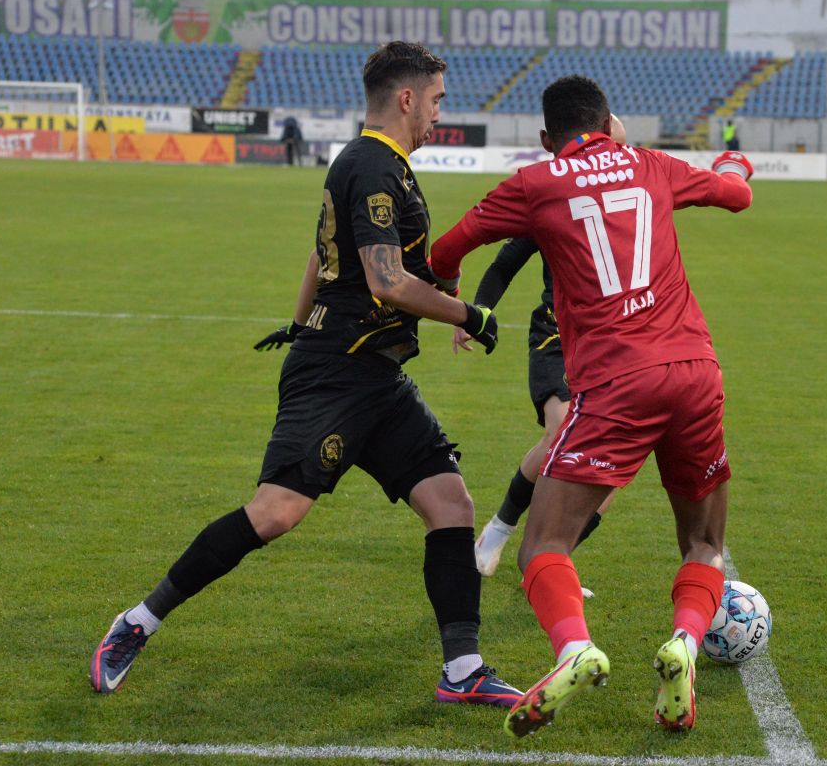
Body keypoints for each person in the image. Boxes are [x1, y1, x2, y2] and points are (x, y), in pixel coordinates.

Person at [91, 41, 522, 709]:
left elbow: (322, 255)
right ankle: (135, 624)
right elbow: (385, 281)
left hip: (375, 374)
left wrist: (298, 322)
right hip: (341, 373)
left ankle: (462, 670)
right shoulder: (375, 165)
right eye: (436, 98)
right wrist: (470, 313)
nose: (441, 111)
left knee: (450, 503)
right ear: (407, 98)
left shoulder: (383, 166)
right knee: (275, 513)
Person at [430, 75, 754, 736]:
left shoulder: (536, 181)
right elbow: (737, 194)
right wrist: (734, 160)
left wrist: (456, 286)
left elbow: (446, 249)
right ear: (611, 124)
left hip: (615, 383)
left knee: (545, 544)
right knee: (704, 542)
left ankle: (576, 649)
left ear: (546, 139)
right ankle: (686, 645)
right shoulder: (652, 164)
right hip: (695, 372)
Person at [457, 114, 629, 587]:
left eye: (619, 150)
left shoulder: (638, 203)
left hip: (615, 349)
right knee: (566, 440)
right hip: (558, 337)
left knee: (611, 474)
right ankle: (496, 531)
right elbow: (505, 262)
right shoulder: (556, 200)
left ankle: (551, 562)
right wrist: (479, 314)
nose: (611, 158)